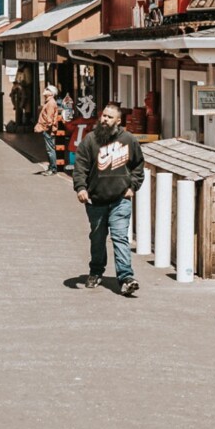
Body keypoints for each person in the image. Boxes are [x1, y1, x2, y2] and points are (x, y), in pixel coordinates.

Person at [72, 102, 144, 296]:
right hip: (95, 201)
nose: (104, 120)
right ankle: (96, 272)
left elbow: (138, 165)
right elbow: (80, 167)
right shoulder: (90, 140)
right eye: (103, 115)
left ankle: (126, 278)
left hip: (120, 199)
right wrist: (80, 188)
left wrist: (133, 186)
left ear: (118, 121)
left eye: (109, 117)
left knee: (120, 237)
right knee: (97, 239)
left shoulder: (128, 140)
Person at [34, 84, 60, 175]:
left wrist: (46, 128)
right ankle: (51, 167)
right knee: (49, 149)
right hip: (47, 129)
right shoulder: (49, 102)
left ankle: (53, 169)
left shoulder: (51, 103)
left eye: (47, 89)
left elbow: (50, 119)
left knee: (50, 150)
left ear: (51, 93)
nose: (45, 90)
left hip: (48, 130)